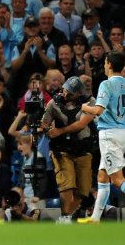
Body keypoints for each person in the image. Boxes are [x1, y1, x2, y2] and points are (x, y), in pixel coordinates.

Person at [77, 51, 125, 224]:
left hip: (110, 135)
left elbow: (99, 110)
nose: (104, 65)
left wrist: (84, 106)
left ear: (110, 64)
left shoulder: (107, 84)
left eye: (105, 62)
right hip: (121, 131)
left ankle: (95, 218)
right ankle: (95, 218)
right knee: (102, 178)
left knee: (118, 179)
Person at [42, 76, 95, 224]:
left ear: (79, 93)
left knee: (83, 189)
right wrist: (43, 127)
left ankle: (68, 217)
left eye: (70, 92)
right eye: (65, 89)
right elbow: (44, 121)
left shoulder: (90, 102)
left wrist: (59, 131)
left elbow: (82, 124)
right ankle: (65, 216)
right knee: (67, 183)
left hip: (83, 149)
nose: (66, 94)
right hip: (62, 150)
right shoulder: (53, 103)